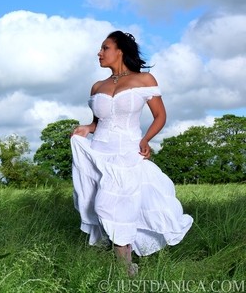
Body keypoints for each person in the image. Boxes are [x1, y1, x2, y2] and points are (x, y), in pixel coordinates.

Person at [70, 31, 193, 277]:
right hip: (100, 152)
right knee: (104, 205)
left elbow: (161, 116)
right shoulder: (97, 86)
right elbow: (99, 121)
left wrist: (146, 139)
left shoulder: (144, 80)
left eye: (105, 48)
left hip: (128, 152)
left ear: (120, 51)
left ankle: (125, 267)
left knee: (111, 206)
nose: (100, 53)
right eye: (101, 49)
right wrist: (87, 128)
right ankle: (125, 267)